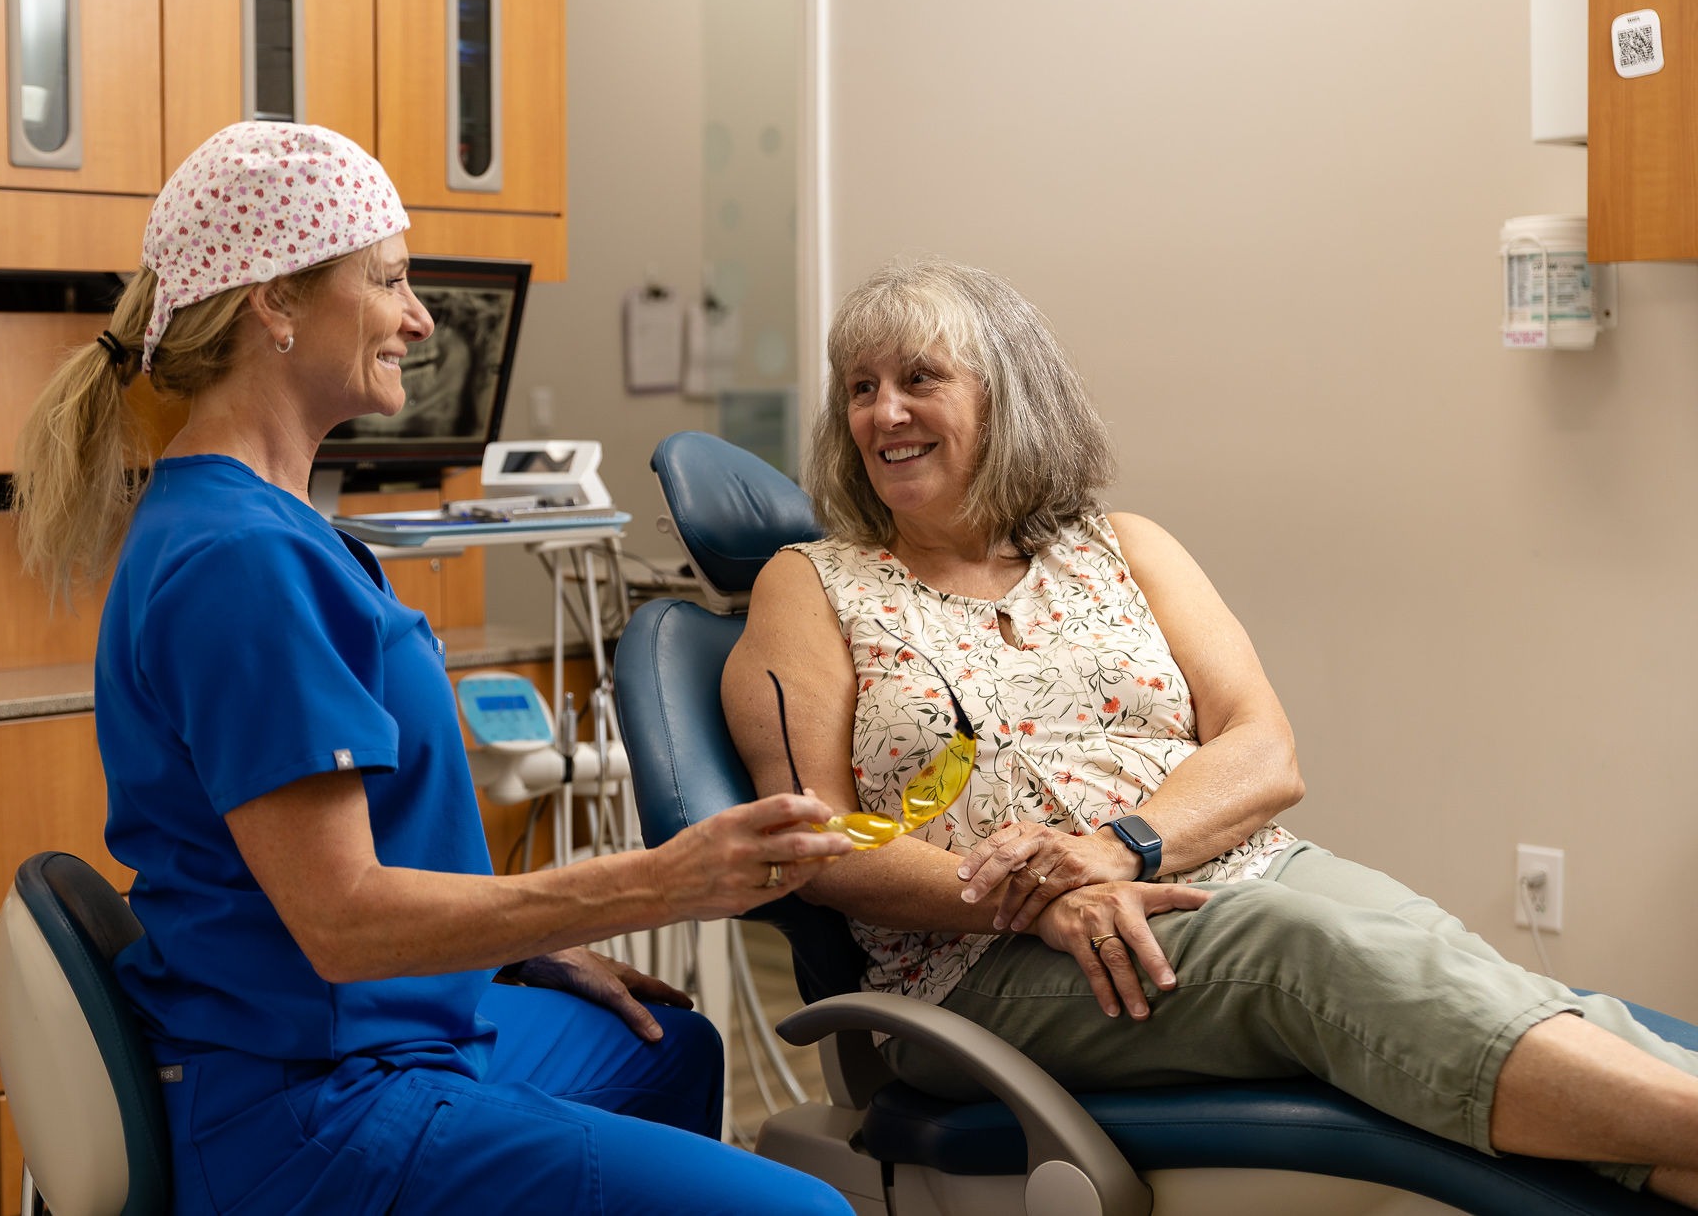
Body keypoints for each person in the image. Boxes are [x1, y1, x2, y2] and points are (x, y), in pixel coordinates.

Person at [721, 256, 1698, 1206]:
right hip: (981, 963)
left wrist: (1116, 849)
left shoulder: (1121, 546)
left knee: (1445, 959)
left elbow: (1263, 749)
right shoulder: (811, 586)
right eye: (861, 388)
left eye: (918, 379)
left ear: (1005, 396)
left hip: (1228, 864)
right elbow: (817, 841)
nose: (883, 412)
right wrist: (1030, 901)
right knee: (1298, 951)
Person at [12, 121, 855, 1216]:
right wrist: (658, 882)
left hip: (364, 1030)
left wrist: (511, 950)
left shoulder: (258, 527)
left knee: (666, 1048)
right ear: (274, 301)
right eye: (390, 279)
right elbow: (342, 920)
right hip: (311, 1107)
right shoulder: (240, 562)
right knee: (809, 1211)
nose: (418, 317)